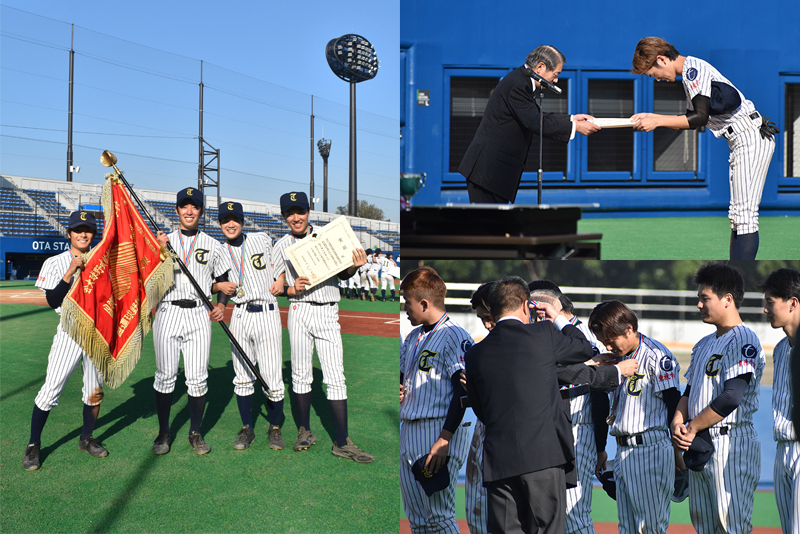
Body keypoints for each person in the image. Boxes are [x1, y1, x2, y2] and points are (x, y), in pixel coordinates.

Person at [464, 276, 594, 534]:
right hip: (544, 458)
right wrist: (557, 317)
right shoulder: (544, 334)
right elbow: (584, 349)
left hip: (499, 461)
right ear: (527, 306)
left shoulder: (475, 353)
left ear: (493, 308)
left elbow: (481, 409)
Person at [630, 37, 778, 260]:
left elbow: (699, 118)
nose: (657, 79)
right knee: (738, 216)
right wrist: (652, 117)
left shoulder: (692, 70)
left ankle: (738, 277)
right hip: (742, 139)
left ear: (661, 59)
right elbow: (694, 119)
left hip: (750, 137)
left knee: (746, 217)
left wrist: (657, 120)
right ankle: (732, 271)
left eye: (653, 74)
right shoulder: (690, 72)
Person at [270, 191, 373, 462]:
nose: (296, 217)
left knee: (335, 377)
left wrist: (354, 266)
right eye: (290, 213)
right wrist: (291, 288)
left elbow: (344, 272)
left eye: (300, 211)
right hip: (300, 309)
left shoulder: (327, 236)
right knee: (301, 374)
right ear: (283, 216)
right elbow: (277, 287)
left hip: (327, 311)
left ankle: (342, 441)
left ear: (308, 212)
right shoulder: (281, 245)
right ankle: (305, 430)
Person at [529, 282, 636, 534]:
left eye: (532, 309)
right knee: (548, 515)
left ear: (545, 307)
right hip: (550, 433)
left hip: (578, 431)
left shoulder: (586, 337)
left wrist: (600, 446)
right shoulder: (543, 334)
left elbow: (599, 394)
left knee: (574, 516)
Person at [671, 263, 765, 534]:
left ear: (728, 299)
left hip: (731, 443)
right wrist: (678, 421)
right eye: (698, 298)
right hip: (701, 443)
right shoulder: (703, 344)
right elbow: (689, 392)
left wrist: (692, 428)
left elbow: (731, 397)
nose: (699, 304)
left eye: (704, 298)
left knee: (731, 526)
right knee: (705, 527)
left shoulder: (744, 339)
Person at [458, 45, 600, 203]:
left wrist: (571, 119)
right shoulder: (518, 85)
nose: (556, 80)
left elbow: (535, 116)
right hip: (487, 173)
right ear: (540, 67)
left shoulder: (520, 80)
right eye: (556, 74)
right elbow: (534, 122)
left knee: (496, 225)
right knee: (490, 225)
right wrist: (576, 127)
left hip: (492, 173)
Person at [588, 300, 683, 534]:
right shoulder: (615, 358)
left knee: (649, 528)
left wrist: (677, 453)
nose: (608, 345)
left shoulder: (656, 355)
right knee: (627, 528)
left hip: (650, 448)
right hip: (623, 450)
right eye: (603, 342)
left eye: (611, 340)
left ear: (629, 328)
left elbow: (673, 402)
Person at [23, 211, 107, 470]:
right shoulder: (56, 261)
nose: (83, 234)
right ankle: (33, 445)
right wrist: (70, 271)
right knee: (51, 389)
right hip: (69, 331)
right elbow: (51, 300)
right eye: (78, 229)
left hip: (96, 333)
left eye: (88, 230)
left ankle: (86, 438)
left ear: (94, 234)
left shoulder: (104, 262)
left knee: (94, 392)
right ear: (69, 233)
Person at [152, 187, 230, 456]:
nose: (189, 211)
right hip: (167, 312)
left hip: (198, 314)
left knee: (197, 378)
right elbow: (148, 278)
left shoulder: (213, 245)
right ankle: (164, 432)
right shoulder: (162, 241)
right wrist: (158, 252)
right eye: (184, 206)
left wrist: (221, 304)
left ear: (201, 212)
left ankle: (195, 432)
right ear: (176, 211)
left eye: (194, 206)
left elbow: (222, 281)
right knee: (165, 378)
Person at [399, 266, 472, 534]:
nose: (405, 307)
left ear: (424, 303)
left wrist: (444, 438)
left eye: (408, 301)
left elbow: (464, 392)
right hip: (410, 426)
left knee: (439, 517)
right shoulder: (412, 336)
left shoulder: (455, 335)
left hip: (438, 429)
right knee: (418, 520)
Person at [211, 201, 285, 451]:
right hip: (240, 314)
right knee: (242, 376)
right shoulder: (218, 251)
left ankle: (274, 428)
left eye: (235, 219)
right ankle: (246, 428)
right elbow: (213, 283)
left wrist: (282, 280)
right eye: (225, 220)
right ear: (219, 224)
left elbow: (281, 263)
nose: (230, 224)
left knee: (272, 374)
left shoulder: (262, 239)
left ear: (242, 221)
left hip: (266, 311)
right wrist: (219, 294)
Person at [759, 268, 800, 533]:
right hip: (782, 449)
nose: (765, 309)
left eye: (770, 302)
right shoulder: (781, 348)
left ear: (793, 303)